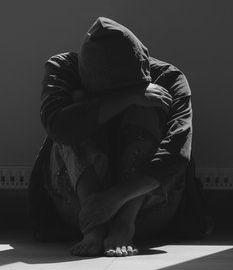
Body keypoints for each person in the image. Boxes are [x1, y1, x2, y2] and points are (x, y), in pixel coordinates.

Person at [28, 17, 211, 257]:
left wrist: (114, 199)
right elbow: (58, 127)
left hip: (148, 209)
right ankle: (94, 227)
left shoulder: (168, 77)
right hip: (80, 210)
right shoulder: (63, 68)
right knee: (74, 111)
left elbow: (177, 153)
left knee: (153, 102)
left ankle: (125, 222)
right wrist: (127, 97)